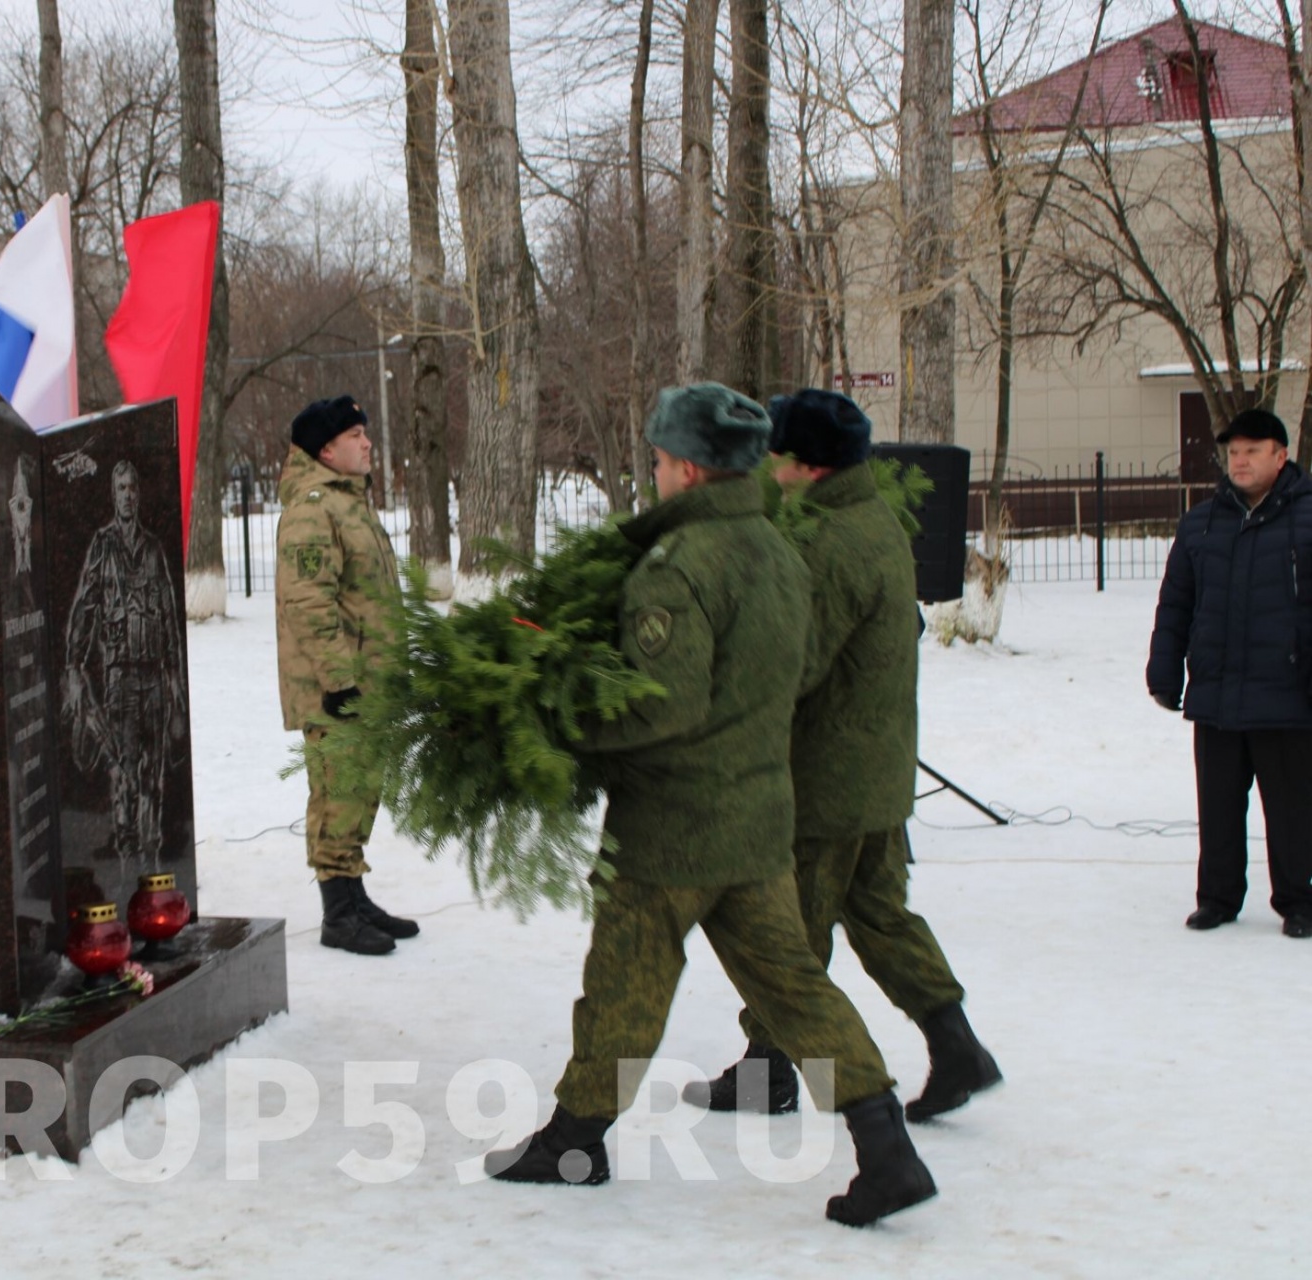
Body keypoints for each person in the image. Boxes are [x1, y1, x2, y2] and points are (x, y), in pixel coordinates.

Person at [482, 384, 936, 1227]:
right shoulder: (775, 547)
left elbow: (663, 703)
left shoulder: (679, 566)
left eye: (657, 459)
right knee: (797, 990)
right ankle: (887, 1149)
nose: (652, 473)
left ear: (688, 469)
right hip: (760, 819)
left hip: (672, 829)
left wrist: (558, 716)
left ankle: (574, 1142)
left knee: (623, 986)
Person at [683, 388, 1001, 1125]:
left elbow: (789, 668)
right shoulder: (871, 517)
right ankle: (957, 1048)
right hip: (878, 771)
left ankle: (771, 1070)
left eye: (777, 455)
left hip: (826, 781)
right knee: (880, 916)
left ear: (808, 465)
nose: (768, 468)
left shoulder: (824, 545)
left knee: (786, 932)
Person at [1147, 407, 1312, 939]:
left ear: (1281, 456)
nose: (1239, 461)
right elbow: (1176, 605)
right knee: (1217, 808)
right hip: (1216, 694)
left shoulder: (1308, 520)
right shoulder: (1202, 522)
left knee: (1291, 811)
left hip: (1288, 694)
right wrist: (1164, 671)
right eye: (1233, 452)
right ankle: (1217, 897)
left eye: (1251, 451)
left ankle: (1299, 901)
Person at [274, 394, 416, 956]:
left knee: (360, 790)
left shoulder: (348, 503)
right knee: (338, 790)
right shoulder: (314, 508)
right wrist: (340, 682)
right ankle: (338, 915)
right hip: (337, 689)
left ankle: (354, 896)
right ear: (326, 450)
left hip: (368, 682)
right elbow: (309, 603)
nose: (367, 443)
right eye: (356, 435)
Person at [63, 460, 188, 869]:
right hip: (120, 675)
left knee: (153, 769)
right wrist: (74, 663)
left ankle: (150, 851)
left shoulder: (152, 549)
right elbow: (85, 604)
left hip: (153, 673)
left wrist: (174, 683)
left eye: (133, 487)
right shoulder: (104, 544)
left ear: (140, 493)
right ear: (113, 495)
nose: (129, 494)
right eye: (121, 488)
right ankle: (125, 850)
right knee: (123, 765)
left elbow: (168, 615)